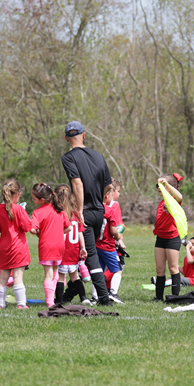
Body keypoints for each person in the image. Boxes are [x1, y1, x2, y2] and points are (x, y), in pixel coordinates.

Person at [61, 121, 113, 306]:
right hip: (99, 210)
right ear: (84, 135)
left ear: (66, 138)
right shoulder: (99, 156)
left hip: (86, 212)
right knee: (86, 254)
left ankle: (105, 300)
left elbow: (77, 184)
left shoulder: (68, 158)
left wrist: (79, 210)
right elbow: (109, 184)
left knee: (90, 257)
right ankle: (70, 293)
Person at [0, 179, 33, 310]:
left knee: (3, 277)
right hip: (18, 247)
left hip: (4, 247)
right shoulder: (19, 209)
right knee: (18, 276)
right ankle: (21, 304)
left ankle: (0, 303)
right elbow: (27, 227)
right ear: (16, 195)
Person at [30, 182, 70, 308]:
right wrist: (57, 232)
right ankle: (58, 299)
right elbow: (68, 228)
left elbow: (32, 229)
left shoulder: (37, 212)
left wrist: (39, 232)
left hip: (46, 246)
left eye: (34, 198)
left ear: (42, 199)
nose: (32, 200)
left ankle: (50, 302)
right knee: (56, 271)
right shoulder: (59, 209)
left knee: (48, 274)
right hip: (59, 245)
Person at [152, 174, 184, 301]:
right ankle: (158, 297)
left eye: (161, 186)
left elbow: (180, 197)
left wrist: (166, 185)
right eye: (158, 186)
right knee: (160, 268)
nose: (159, 188)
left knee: (173, 268)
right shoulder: (161, 202)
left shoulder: (173, 200)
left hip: (172, 238)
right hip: (160, 238)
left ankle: (174, 297)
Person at [98, 184, 125, 304]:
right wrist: (119, 236)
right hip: (108, 246)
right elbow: (114, 231)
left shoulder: (94, 209)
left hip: (96, 245)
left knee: (98, 271)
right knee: (118, 269)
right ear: (107, 195)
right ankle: (113, 293)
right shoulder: (110, 210)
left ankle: (95, 296)